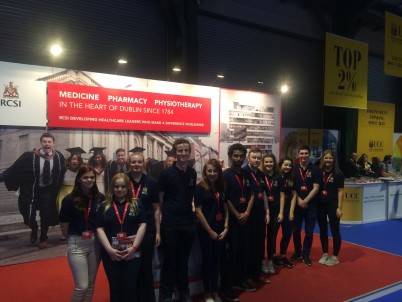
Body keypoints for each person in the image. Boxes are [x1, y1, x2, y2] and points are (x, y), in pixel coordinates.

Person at [0, 132, 65, 248]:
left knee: (45, 216)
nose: (47, 144)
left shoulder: (58, 157)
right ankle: (34, 228)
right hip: (30, 191)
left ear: (53, 143)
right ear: (41, 143)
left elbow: (64, 170)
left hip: (47, 192)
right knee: (28, 215)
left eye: (49, 142)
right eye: (44, 141)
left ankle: (43, 238)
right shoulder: (29, 156)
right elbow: (13, 169)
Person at [97, 173, 147, 302]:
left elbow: (142, 225)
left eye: (123, 186)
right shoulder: (104, 206)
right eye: (116, 186)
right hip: (111, 254)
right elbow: (99, 229)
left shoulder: (136, 204)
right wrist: (109, 250)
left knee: (130, 287)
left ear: (128, 188)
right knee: (115, 288)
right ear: (112, 188)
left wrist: (134, 248)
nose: (119, 190)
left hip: (132, 253)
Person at [158, 138, 197, 302]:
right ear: (175, 152)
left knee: (183, 260)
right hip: (170, 223)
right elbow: (160, 199)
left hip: (188, 222)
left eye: (186, 150)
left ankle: (184, 292)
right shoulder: (165, 174)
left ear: (189, 152)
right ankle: (166, 294)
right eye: (180, 150)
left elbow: (191, 196)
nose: (183, 153)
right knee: (169, 261)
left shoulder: (192, 173)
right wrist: (166, 215)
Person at [59, 164, 104, 301]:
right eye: (86, 177)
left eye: (92, 177)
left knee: (90, 285)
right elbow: (64, 223)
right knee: (82, 286)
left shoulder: (100, 198)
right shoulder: (69, 200)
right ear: (79, 179)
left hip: (95, 244)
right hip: (77, 244)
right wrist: (70, 237)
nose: (89, 180)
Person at [219, 143, 255, 302]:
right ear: (230, 156)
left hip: (245, 219)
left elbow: (252, 194)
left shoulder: (247, 175)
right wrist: (237, 215)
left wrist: (246, 212)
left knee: (244, 251)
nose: (238, 159)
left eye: (241, 156)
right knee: (231, 254)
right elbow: (225, 199)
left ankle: (240, 279)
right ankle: (228, 286)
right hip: (232, 221)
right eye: (235, 156)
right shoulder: (225, 175)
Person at [127, 152, 160, 302]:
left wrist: (158, 232)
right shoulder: (123, 180)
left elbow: (156, 209)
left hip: (147, 230)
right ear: (129, 164)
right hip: (128, 229)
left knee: (145, 267)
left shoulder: (151, 182)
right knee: (130, 267)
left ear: (144, 164)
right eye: (133, 162)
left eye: (139, 162)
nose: (136, 165)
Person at [195, 159, 229, 302]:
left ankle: (215, 290)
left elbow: (225, 207)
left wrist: (227, 227)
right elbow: (198, 211)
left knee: (217, 261)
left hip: (221, 229)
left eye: (215, 171)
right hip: (206, 230)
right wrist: (209, 231)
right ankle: (207, 293)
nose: (212, 173)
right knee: (208, 261)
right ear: (205, 172)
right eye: (209, 171)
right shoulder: (200, 187)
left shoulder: (222, 186)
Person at [243, 148, 271, 284]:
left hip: (260, 215)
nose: (256, 160)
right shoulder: (244, 172)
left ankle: (257, 273)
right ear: (248, 158)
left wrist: (267, 212)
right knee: (249, 246)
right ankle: (247, 275)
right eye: (254, 157)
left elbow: (264, 194)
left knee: (260, 245)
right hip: (249, 216)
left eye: (258, 158)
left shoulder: (260, 173)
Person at [290, 145, 320, 266]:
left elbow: (316, 188)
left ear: (309, 154)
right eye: (301, 153)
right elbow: (292, 188)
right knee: (296, 231)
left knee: (309, 232)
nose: (304, 156)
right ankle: (297, 252)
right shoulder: (294, 169)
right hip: (297, 205)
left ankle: (306, 254)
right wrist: (299, 200)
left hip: (311, 205)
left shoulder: (315, 169)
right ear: (298, 154)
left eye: (306, 153)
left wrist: (305, 201)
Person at [317, 150, 344, 266]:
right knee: (323, 230)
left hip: (333, 205)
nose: (328, 160)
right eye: (326, 158)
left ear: (334, 160)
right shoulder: (318, 172)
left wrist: (339, 207)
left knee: (335, 230)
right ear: (323, 159)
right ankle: (325, 253)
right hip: (320, 204)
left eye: (330, 158)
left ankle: (335, 256)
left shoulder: (338, 174)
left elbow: (340, 191)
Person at [260, 153, 284, 274]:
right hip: (261, 211)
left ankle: (269, 261)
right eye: (266, 162)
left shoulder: (278, 177)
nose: (268, 164)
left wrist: (281, 212)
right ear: (263, 163)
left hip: (275, 211)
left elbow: (282, 195)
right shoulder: (259, 176)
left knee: (271, 237)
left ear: (274, 163)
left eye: (271, 162)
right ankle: (260, 262)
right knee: (260, 237)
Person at [57, 147, 85, 240]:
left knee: (77, 212)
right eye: (73, 159)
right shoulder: (63, 170)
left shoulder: (82, 170)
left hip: (77, 192)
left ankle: (74, 231)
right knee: (63, 212)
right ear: (69, 160)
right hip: (64, 193)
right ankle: (64, 233)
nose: (75, 161)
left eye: (77, 159)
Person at [276, 157, 297, 268]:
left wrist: (291, 211)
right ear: (280, 165)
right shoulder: (276, 177)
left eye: (290, 165)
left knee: (287, 233)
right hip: (276, 209)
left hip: (288, 209)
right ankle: (273, 256)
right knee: (273, 234)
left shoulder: (291, 179)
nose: (288, 167)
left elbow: (294, 196)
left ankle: (283, 256)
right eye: (286, 165)